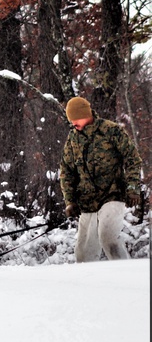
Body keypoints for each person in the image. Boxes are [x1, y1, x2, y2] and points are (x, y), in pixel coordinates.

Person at [59, 96, 143, 263]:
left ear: (85, 114)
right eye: (71, 120)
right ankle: (90, 285)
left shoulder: (111, 130)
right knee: (83, 254)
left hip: (113, 195)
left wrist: (133, 188)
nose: (73, 123)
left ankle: (126, 275)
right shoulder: (73, 139)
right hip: (87, 202)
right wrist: (70, 202)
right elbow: (67, 171)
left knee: (108, 237)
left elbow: (133, 159)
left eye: (75, 118)